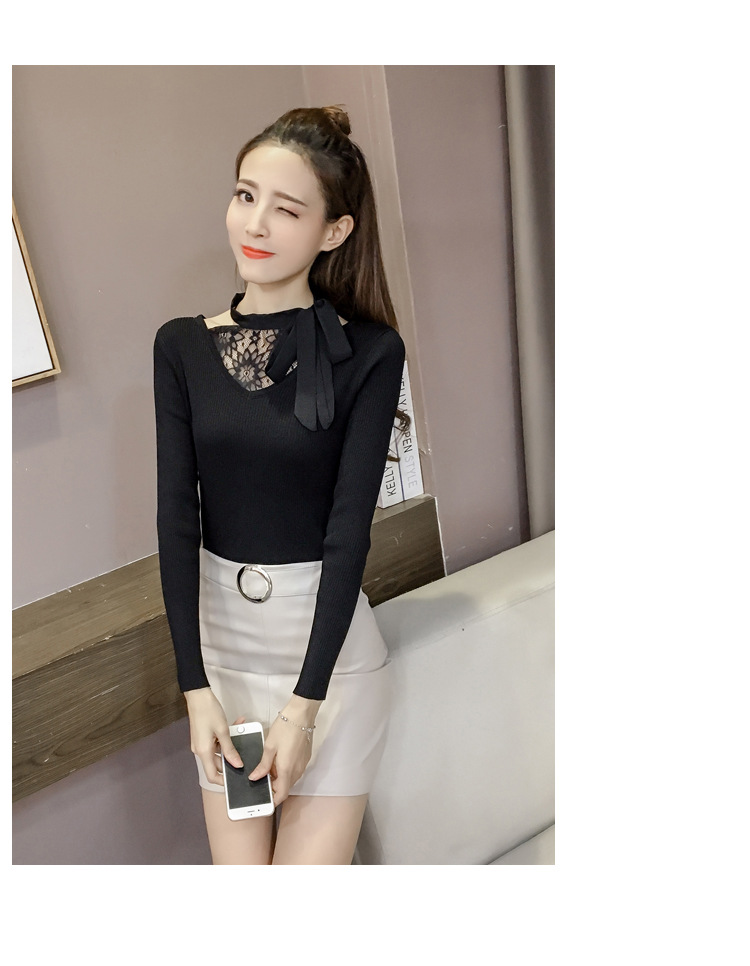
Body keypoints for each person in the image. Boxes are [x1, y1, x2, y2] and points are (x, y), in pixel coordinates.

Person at [153, 106, 408, 865]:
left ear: (334, 231)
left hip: (326, 664)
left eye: (287, 209)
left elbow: (348, 533)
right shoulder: (180, 347)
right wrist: (195, 688)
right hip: (223, 662)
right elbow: (176, 519)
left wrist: (304, 710)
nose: (255, 223)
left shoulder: (371, 353)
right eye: (245, 195)